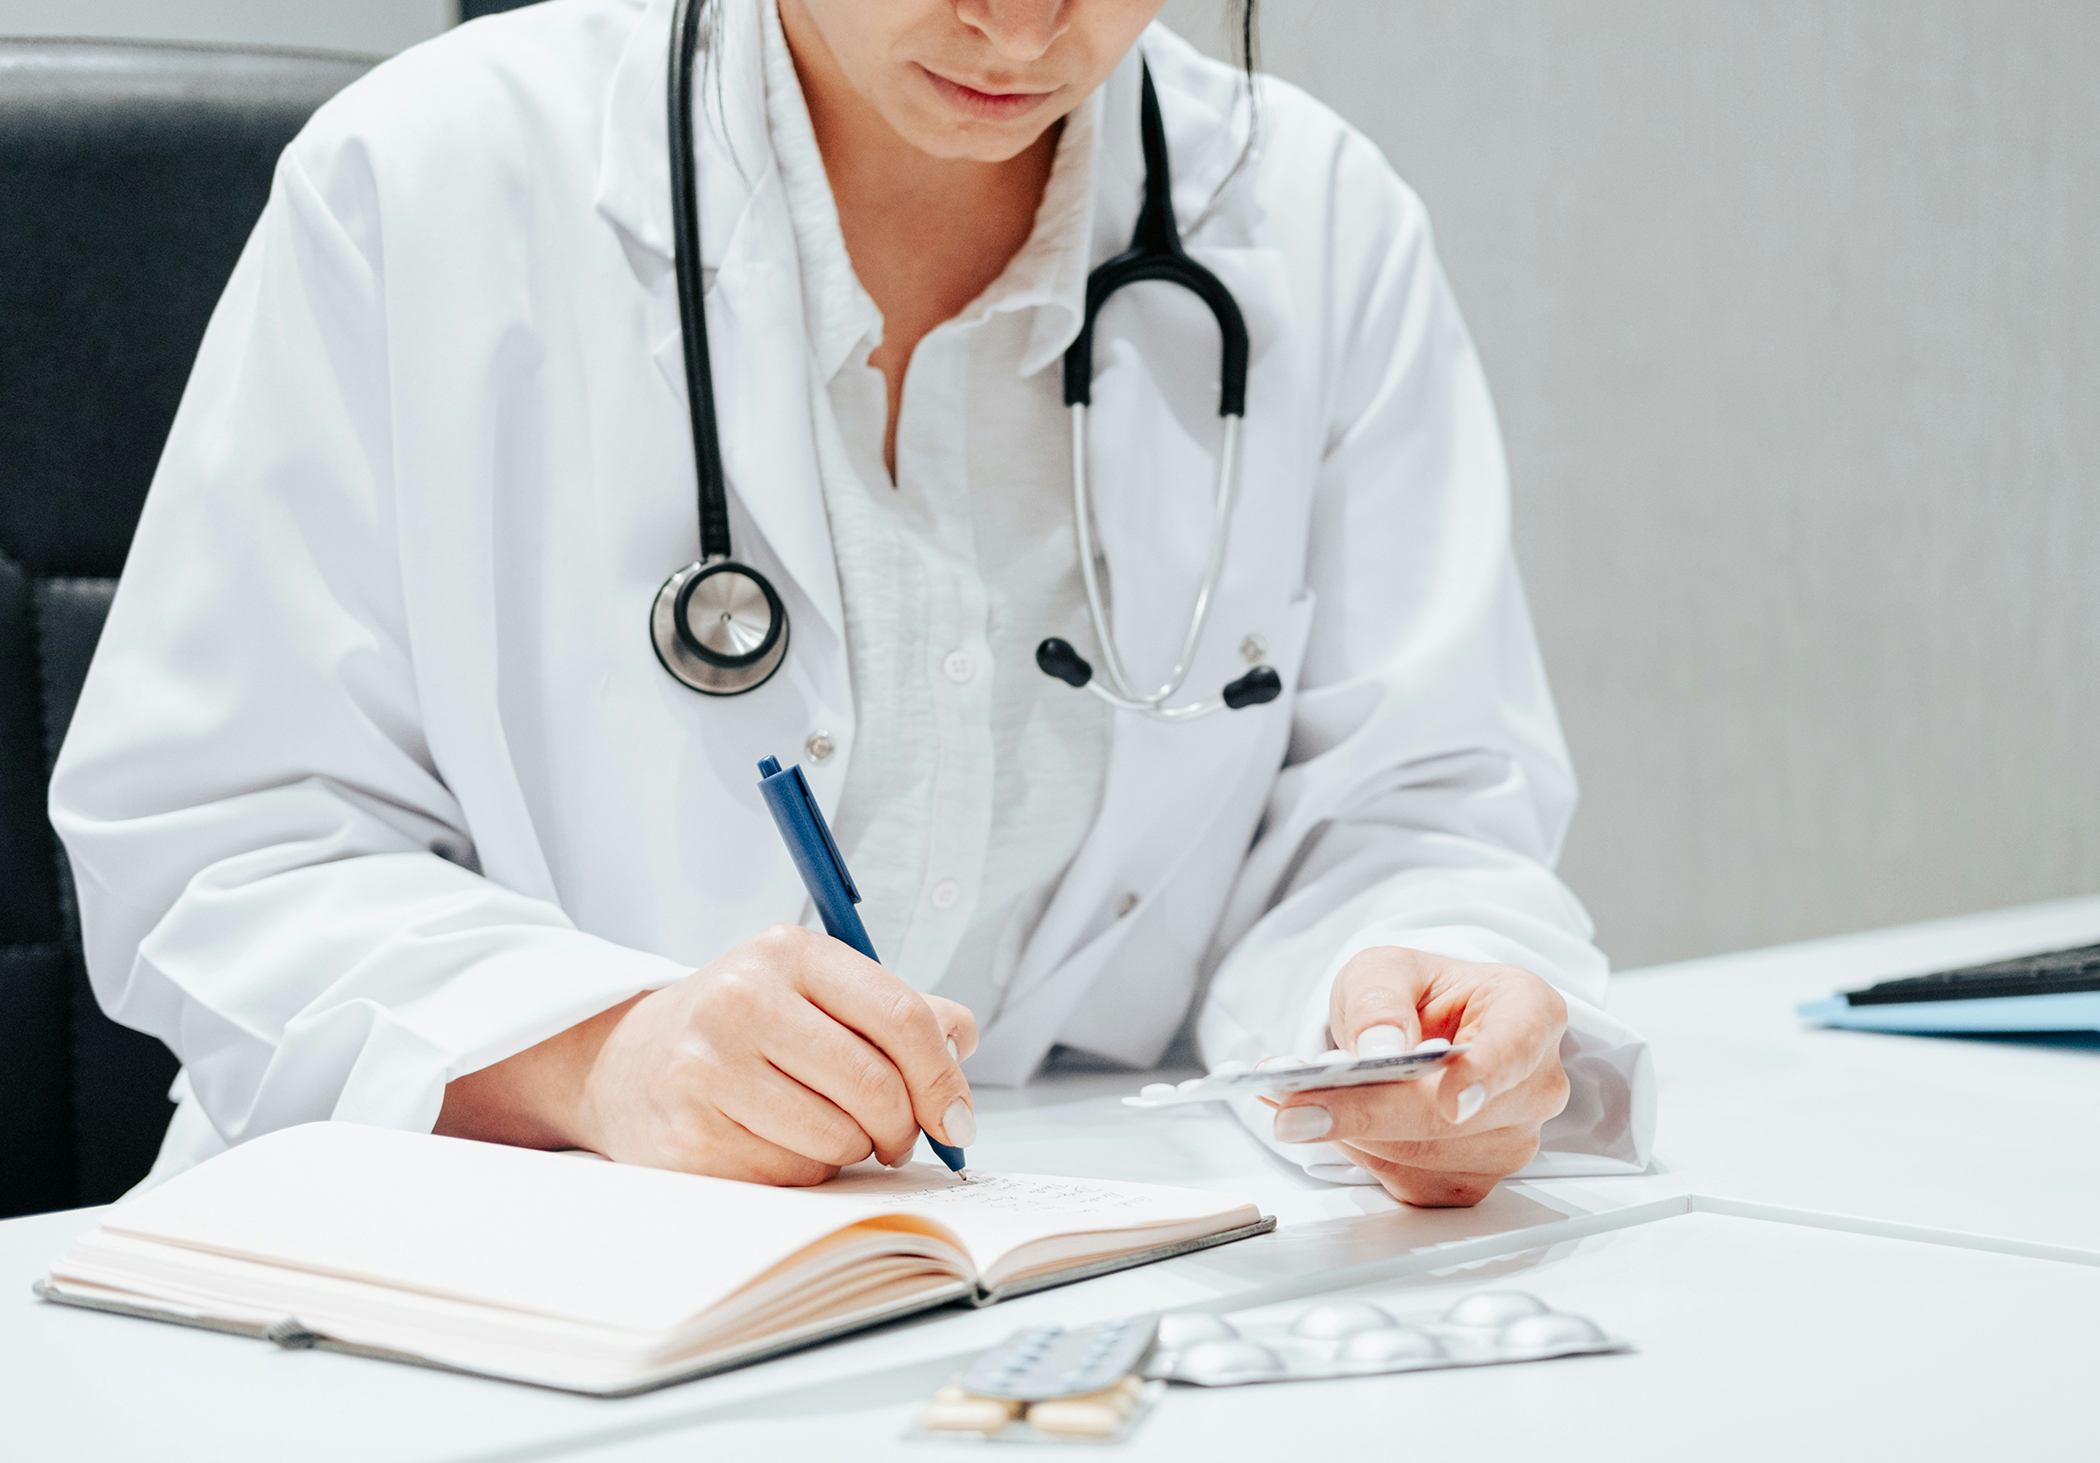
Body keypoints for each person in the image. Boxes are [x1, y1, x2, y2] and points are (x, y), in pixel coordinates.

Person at [50, 0, 1650, 1208]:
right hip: (464, 1287)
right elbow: (219, 843)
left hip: (1056, 1287)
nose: (1022, 24)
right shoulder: (431, 179)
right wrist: (602, 1058)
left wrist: (1415, 1005)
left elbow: (1413, 813)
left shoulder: (1312, 219)